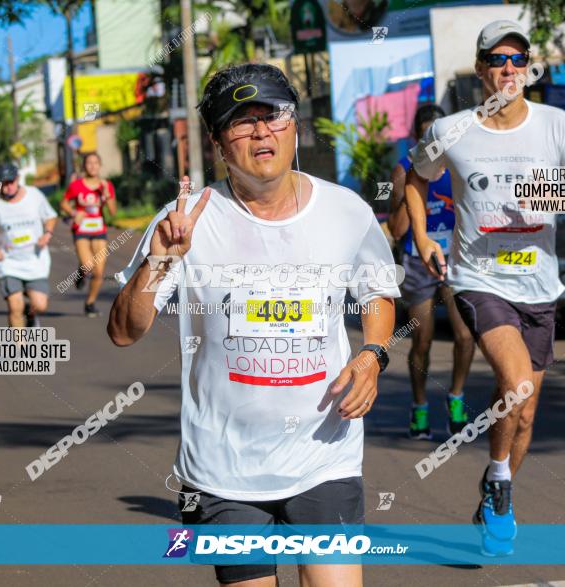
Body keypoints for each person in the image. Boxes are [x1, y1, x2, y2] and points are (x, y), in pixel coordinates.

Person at [109, 63, 399, 586]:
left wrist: (372, 354)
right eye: (242, 122)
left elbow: (376, 290)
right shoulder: (185, 221)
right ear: (219, 144)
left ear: (294, 127)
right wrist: (159, 262)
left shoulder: (346, 211)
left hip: (324, 456)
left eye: (273, 115)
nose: (261, 130)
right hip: (224, 471)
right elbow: (124, 332)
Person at [406, 20, 565, 554]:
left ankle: (496, 483)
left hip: (539, 285)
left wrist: (562, 199)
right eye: (497, 60)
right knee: (514, 385)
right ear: (481, 71)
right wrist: (422, 236)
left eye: (518, 59)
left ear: (529, 68)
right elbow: (417, 177)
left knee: (525, 408)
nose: (508, 69)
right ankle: (500, 488)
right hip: (478, 279)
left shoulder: (556, 125)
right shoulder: (451, 129)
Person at [388, 104, 475, 439]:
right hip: (417, 261)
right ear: (417, 137)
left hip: (454, 258)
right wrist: (410, 193)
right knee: (421, 340)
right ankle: (420, 406)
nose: (434, 142)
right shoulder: (404, 169)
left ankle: (456, 399)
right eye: (427, 135)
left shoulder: (460, 166)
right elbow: (396, 231)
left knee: (466, 335)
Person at [0, 162, 57, 328]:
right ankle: (19, 349)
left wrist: (47, 234)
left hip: (35, 260)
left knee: (40, 305)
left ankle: (29, 312)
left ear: (18, 179)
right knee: (15, 306)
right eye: (3, 183)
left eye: (11, 182)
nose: (8, 187)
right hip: (9, 262)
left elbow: (50, 216)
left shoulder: (34, 194)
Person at [61, 152, 117, 317]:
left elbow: (113, 213)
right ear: (84, 166)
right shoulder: (76, 185)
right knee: (88, 265)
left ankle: (90, 303)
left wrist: (107, 196)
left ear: (100, 165)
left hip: (99, 230)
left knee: (99, 272)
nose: (92, 166)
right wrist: (72, 212)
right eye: (89, 163)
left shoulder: (106, 185)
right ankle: (81, 272)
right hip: (81, 230)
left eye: (96, 163)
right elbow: (64, 202)